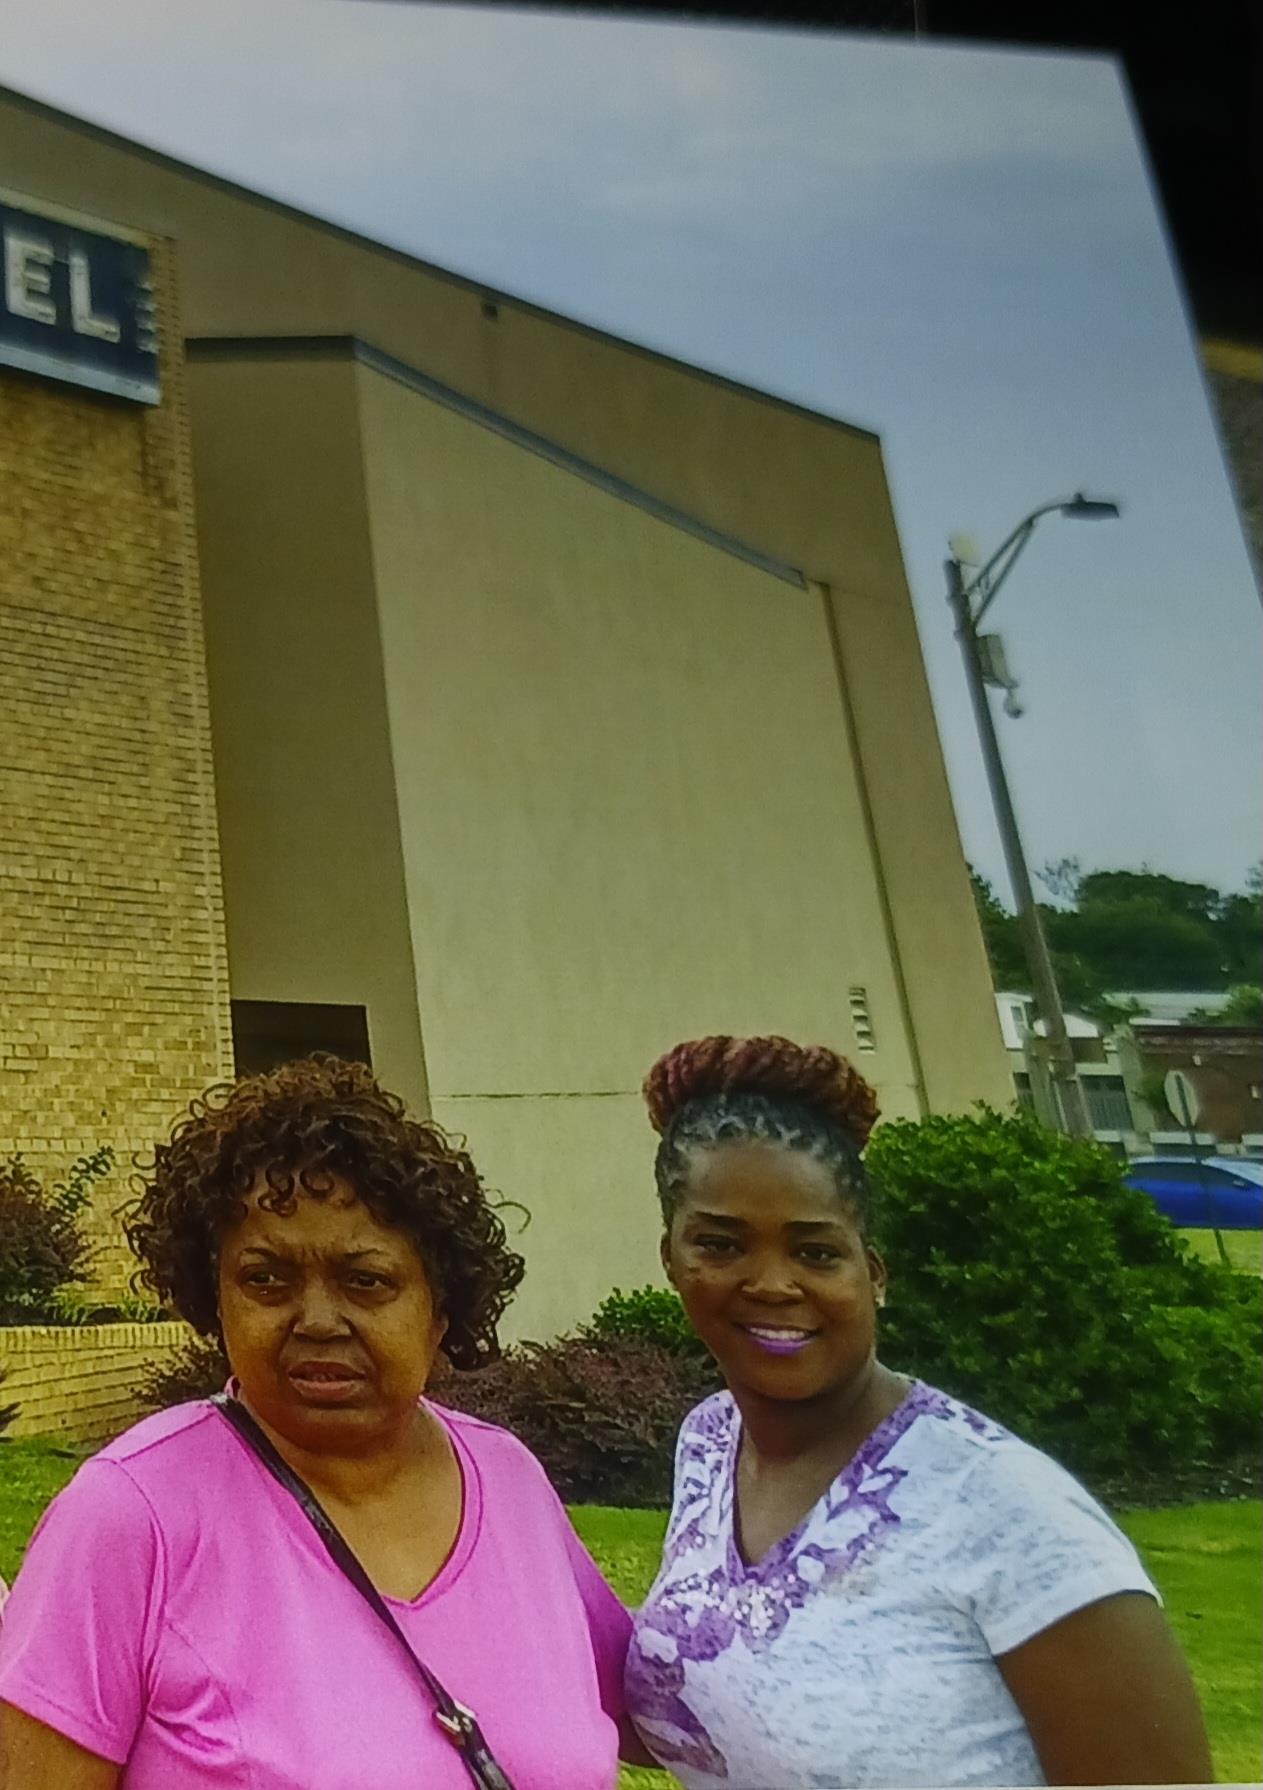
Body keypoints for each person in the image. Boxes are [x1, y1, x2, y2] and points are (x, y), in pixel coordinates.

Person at [0, 1056, 636, 1790]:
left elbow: (668, 1704)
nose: (318, 1319)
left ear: (442, 1308)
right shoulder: (130, 1515)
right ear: (214, 1298)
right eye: (265, 1278)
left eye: (365, 1281)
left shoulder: (508, 1479)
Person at [624, 1034, 1214, 1790]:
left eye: (815, 1252)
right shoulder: (710, 1443)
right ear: (671, 1257)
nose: (770, 1283)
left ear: (871, 1272)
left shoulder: (1004, 1507)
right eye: (719, 1243)